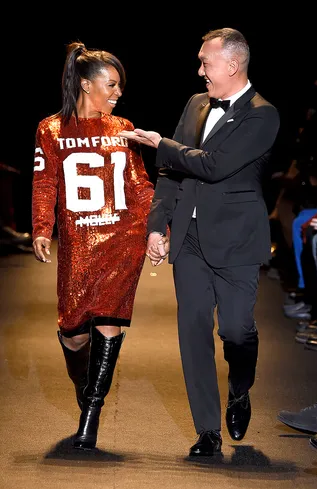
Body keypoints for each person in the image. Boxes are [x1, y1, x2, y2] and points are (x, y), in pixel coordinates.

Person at [118, 27, 280, 457]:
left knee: (235, 329)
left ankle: (240, 389)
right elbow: (172, 172)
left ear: (232, 65)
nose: (199, 70)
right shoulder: (195, 104)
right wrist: (157, 225)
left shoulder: (264, 115)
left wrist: (160, 143)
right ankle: (207, 430)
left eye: (205, 62)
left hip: (237, 241)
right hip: (188, 239)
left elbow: (214, 166)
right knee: (192, 332)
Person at [31, 41, 154, 451]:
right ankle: (85, 392)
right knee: (72, 334)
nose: (118, 94)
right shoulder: (50, 129)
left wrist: (158, 226)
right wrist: (40, 228)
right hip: (78, 244)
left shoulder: (123, 128)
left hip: (124, 238)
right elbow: (45, 181)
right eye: (112, 85)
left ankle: (91, 416)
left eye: (120, 87)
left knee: (108, 320)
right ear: (86, 84)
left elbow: (139, 185)